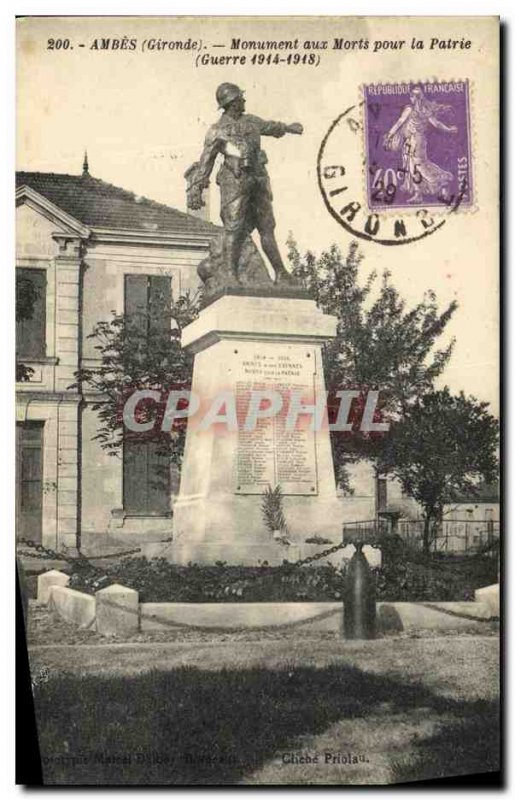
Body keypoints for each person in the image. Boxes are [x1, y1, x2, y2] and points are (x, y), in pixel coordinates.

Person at [187, 82, 303, 283]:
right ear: (232, 102)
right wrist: (196, 187)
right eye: (241, 98)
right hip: (235, 181)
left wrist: (288, 128)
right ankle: (231, 275)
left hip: (258, 179)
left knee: (267, 227)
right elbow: (206, 161)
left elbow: (271, 126)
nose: (244, 101)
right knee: (234, 228)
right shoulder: (217, 130)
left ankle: (281, 273)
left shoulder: (251, 121)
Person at [383, 86, 458, 203]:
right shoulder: (425, 110)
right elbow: (437, 124)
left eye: (412, 96)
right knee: (413, 166)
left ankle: (443, 183)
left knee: (419, 166)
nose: (411, 98)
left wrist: (389, 135)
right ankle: (418, 194)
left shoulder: (411, 109)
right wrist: (448, 129)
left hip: (415, 141)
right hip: (416, 141)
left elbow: (399, 123)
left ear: (414, 97)